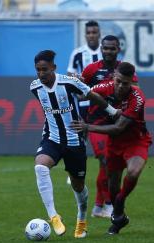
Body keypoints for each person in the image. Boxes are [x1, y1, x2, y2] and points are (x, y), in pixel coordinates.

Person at [31, 50, 118, 239]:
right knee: (40, 166)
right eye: (38, 70)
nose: (41, 74)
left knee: (78, 187)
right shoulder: (35, 87)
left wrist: (112, 111)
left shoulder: (69, 83)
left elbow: (92, 95)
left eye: (45, 69)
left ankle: (81, 219)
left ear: (54, 68)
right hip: (52, 138)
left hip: (74, 141)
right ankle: (53, 216)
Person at [71, 62, 152, 235]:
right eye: (119, 81)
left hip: (136, 141)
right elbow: (83, 95)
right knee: (113, 185)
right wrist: (76, 82)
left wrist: (88, 127)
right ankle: (119, 218)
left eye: (126, 83)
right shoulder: (105, 86)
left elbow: (119, 127)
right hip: (114, 144)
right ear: (114, 77)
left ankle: (119, 204)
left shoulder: (137, 98)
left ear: (132, 81)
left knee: (133, 172)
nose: (121, 86)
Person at [81, 35, 139, 218]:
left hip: (117, 124)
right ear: (101, 48)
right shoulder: (91, 69)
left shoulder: (124, 70)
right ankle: (108, 204)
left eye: (112, 48)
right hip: (96, 122)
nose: (108, 51)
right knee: (105, 161)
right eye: (105, 48)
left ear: (118, 49)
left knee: (109, 167)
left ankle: (99, 206)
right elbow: (81, 91)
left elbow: (134, 90)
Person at [65, 20, 101, 185]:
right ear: (85, 34)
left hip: (101, 102)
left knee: (100, 134)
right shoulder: (78, 53)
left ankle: (105, 165)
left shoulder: (105, 51)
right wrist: (77, 82)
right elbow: (69, 75)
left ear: (99, 33)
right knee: (80, 135)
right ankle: (75, 170)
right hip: (83, 102)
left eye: (94, 32)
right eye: (89, 32)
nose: (92, 35)